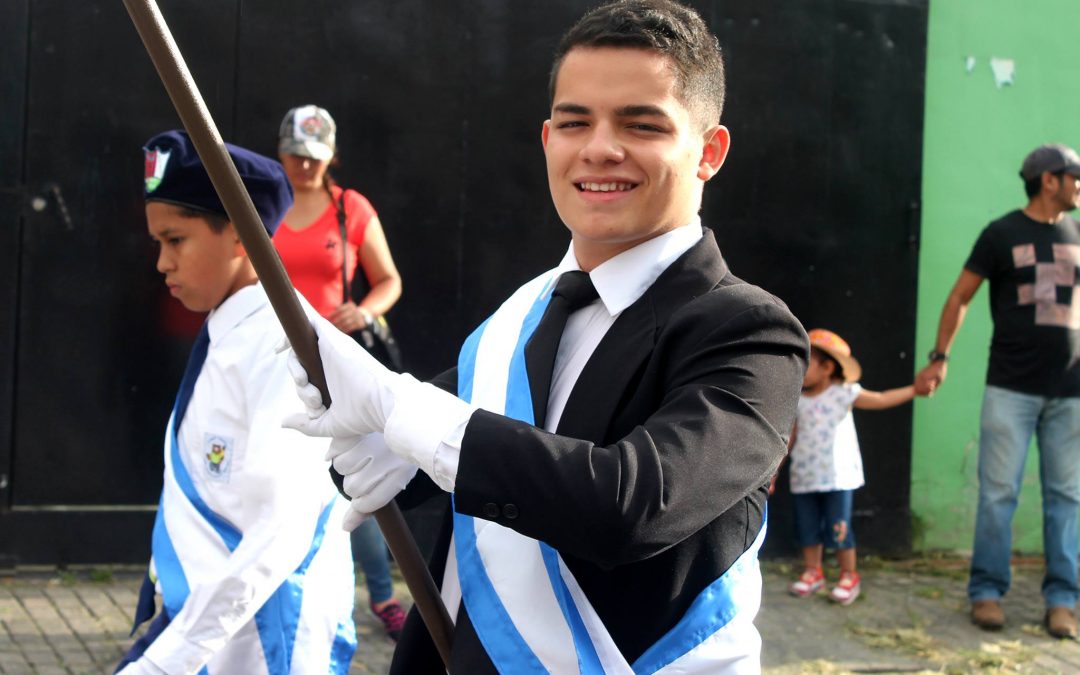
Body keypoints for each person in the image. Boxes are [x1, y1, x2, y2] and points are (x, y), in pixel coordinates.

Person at [282, 1, 808, 672]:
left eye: (641, 124)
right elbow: (415, 464)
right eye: (575, 121)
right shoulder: (520, 317)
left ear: (708, 151)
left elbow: (631, 504)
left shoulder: (749, 332)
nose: (599, 147)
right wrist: (356, 430)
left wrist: (397, 406)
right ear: (547, 139)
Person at [116, 130, 356, 674]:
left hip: (263, 643)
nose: (161, 263)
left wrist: (166, 661)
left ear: (242, 236)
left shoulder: (279, 348)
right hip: (216, 635)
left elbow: (281, 528)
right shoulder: (234, 334)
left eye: (176, 240)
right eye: (158, 243)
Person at [917, 143, 1080, 639]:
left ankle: (1062, 601)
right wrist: (940, 356)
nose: (1079, 184)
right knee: (998, 496)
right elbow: (961, 296)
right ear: (1048, 180)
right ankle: (986, 592)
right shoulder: (1001, 233)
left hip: (1071, 393)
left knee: (1067, 497)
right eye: (1074, 175)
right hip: (1010, 389)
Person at [272, 104, 407, 642]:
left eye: (315, 157)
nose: (304, 166)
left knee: (353, 480)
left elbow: (389, 280)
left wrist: (367, 310)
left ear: (332, 157)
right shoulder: (264, 205)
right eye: (295, 155)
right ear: (281, 153)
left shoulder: (351, 208)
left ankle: (383, 596)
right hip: (273, 363)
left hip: (336, 366)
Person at [787, 329, 930, 606]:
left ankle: (848, 575)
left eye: (807, 362)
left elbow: (880, 399)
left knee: (839, 528)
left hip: (837, 477)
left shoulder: (844, 394)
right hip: (803, 476)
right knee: (807, 528)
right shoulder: (798, 400)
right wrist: (775, 471)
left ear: (828, 367)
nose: (799, 369)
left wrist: (914, 390)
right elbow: (790, 438)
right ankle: (813, 572)